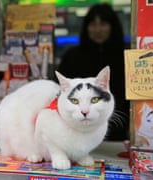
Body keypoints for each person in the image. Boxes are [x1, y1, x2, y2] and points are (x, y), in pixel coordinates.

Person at [56, 3, 130, 141]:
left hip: (116, 133)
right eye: (93, 24)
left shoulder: (126, 56)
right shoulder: (72, 56)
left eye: (103, 24)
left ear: (112, 26)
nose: (98, 29)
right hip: (76, 134)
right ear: (86, 27)